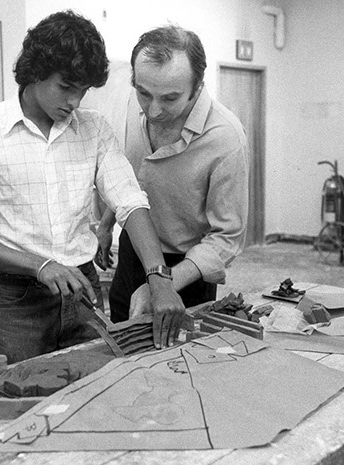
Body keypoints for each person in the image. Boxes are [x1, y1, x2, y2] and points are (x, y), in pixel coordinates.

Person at [0, 11, 184, 363]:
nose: (74, 102)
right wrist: (40, 265)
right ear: (35, 72)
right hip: (18, 300)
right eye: (66, 88)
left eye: (83, 91)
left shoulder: (94, 129)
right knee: (22, 399)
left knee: (91, 394)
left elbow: (130, 201)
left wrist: (159, 277)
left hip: (82, 291)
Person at [95, 25, 249, 322]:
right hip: (132, 251)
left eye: (169, 99)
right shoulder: (134, 105)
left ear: (197, 87)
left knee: (176, 361)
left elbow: (227, 237)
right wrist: (106, 224)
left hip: (186, 271)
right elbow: (130, 176)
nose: (153, 111)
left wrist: (164, 283)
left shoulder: (226, 138)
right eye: (144, 93)